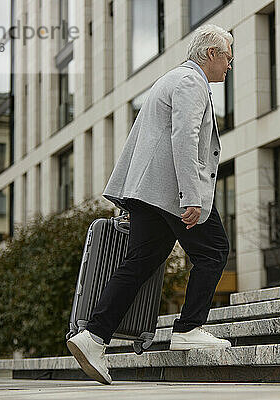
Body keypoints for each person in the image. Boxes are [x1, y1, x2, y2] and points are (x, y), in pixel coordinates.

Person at [66, 24, 234, 385]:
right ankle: (189, 328)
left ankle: (94, 336)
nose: (230, 64)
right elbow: (184, 138)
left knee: (141, 262)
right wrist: (192, 195)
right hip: (171, 191)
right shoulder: (192, 82)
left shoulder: (169, 79)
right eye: (227, 55)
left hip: (145, 191)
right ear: (210, 54)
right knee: (215, 250)